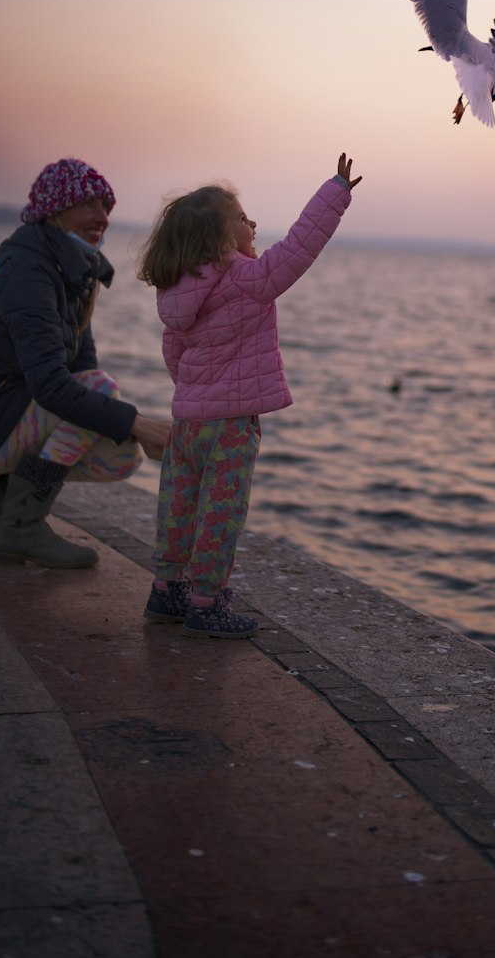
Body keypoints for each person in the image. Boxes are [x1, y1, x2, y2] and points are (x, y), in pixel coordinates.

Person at [137, 152, 362, 640]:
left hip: (188, 423)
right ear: (219, 237)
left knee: (178, 506)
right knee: (221, 513)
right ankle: (205, 604)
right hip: (231, 426)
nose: (253, 223)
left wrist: (195, 393)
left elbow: (172, 350)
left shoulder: (177, 293)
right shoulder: (246, 278)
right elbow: (298, 249)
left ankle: (166, 589)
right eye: (242, 218)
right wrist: (335, 193)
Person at [0, 158, 171, 569]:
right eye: (89, 204)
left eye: (106, 206)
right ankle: (22, 523)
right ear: (54, 209)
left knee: (120, 451)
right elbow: (54, 385)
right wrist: (139, 422)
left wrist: (131, 428)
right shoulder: (31, 274)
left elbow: (79, 372)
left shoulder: (73, 275)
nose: (102, 217)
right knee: (105, 401)